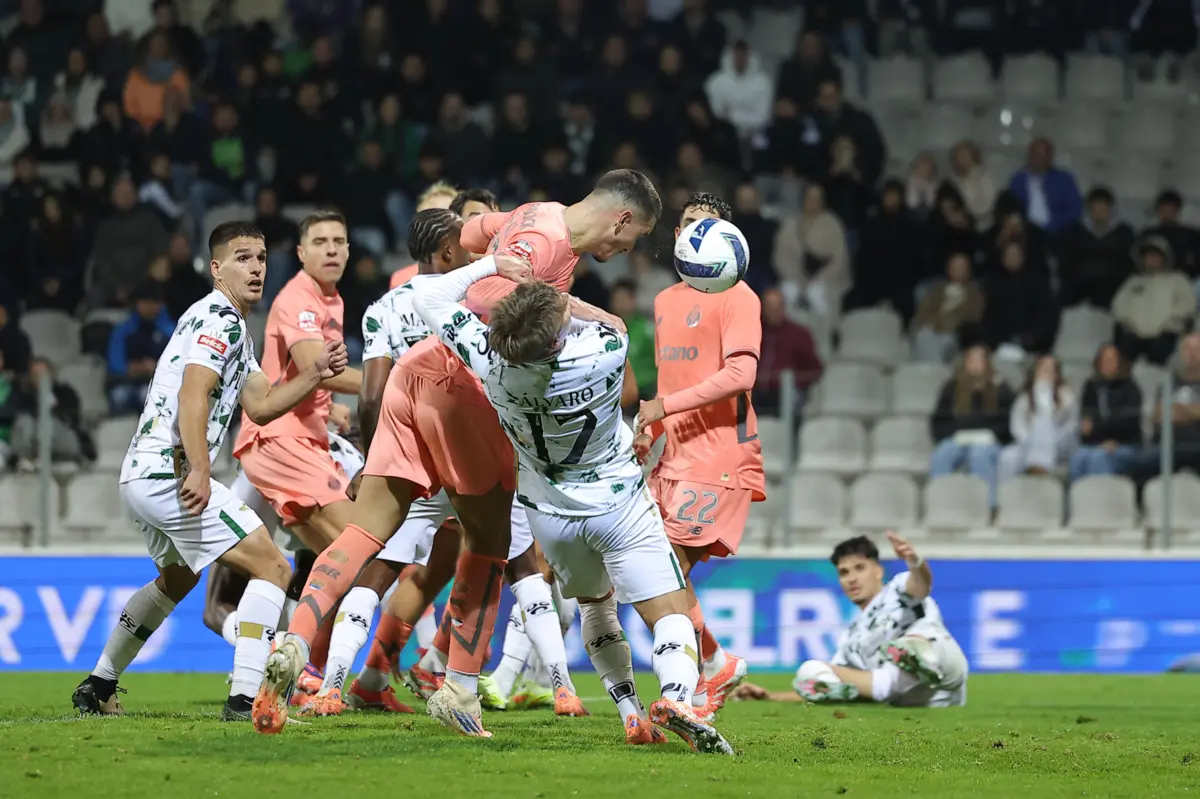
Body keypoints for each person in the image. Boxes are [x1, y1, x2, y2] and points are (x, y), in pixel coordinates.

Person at [252, 170, 662, 738]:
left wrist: (502, 262)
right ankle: (459, 688)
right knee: (489, 543)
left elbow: (468, 234)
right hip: (461, 388)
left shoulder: (535, 213)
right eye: (634, 235)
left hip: (413, 373)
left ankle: (295, 639)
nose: (626, 249)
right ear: (620, 219)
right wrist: (586, 313)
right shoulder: (547, 244)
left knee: (367, 531)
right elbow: (490, 302)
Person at [404, 248, 732, 754]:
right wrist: (562, 300)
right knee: (668, 611)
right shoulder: (603, 348)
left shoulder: (492, 364)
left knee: (595, 606)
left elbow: (428, 291)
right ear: (558, 334)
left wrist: (492, 267)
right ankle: (676, 697)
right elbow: (612, 323)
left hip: (552, 516)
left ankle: (631, 714)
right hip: (619, 504)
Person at [70, 221, 348, 721]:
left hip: (141, 476)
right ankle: (244, 699)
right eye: (243, 258)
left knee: (176, 579)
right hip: (167, 473)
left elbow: (262, 406)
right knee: (275, 566)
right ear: (216, 268)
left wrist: (312, 373)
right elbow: (192, 390)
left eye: (261, 258)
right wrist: (199, 468)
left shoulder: (230, 324)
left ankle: (98, 684)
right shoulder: (220, 316)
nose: (257, 268)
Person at [310, 210, 580, 720]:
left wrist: (375, 462)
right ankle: (560, 687)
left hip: (410, 452)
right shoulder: (478, 294)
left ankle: (335, 683)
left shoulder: (384, 307)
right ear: (449, 253)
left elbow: (371, 397)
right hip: (475, 448)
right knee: (519, 566)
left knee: (379, 570)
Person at [635, 191, 763, 718]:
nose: (695, 231)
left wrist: (663, 404)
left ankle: (683, 694)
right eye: (688, 223)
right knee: (657, 569)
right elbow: (672, 379)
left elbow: (741, 375)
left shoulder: (740, 297)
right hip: (675, 455)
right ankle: (714, 663)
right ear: (676, 235)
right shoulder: (665, 301)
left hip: (720, 455)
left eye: (707, 225)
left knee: (665, 567)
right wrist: (651, 427)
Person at [233, 212, 364, 554]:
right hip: (279, 439)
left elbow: (300, 372)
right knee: (360, 542)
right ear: (301, 253)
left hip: (298, 436)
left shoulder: (331, 299)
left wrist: (325, 406)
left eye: (338, 242)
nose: (331, 250)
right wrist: (390, 382)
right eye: (320, 243)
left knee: (332, 564)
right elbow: (315, 366)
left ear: (349, 250)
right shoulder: (299, 298)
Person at [735, 533, 967, 708]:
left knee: (919, 642)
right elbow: (821, 687)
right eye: (844, 573)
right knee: (811, 671)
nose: (852, 579)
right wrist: (770, 696)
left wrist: (915, 561)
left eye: (859, 568)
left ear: (878, 570)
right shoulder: (851, 637)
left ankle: (915, 654)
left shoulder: (898, 591)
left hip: (946, 666)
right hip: (912, 696)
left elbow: (921, 584)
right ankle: (902, 665)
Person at [928, 344, 1015, 507]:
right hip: (957, 438)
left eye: (979, 360)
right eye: (971, 360)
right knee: (941, 454)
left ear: (987, 363)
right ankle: (939, 504)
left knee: (979, 455)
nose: (975, 364)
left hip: (988, 440)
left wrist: (993, 435)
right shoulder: (951, 388)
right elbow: (939, 420)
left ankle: (986, 505)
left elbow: (1008, 421)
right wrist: (951, 435)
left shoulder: (1001, 389)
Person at [1112, 235, 1196, 366]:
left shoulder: (1178, 279)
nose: (1152, 259)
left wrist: (1169, 324)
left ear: (1165, 258)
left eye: (1156, 255)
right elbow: (1118, 306)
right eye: (1149, 256)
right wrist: (1131, 325)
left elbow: (1187, 306)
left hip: (1166, 335)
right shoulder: (1133, 281)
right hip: (1135, 335)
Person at [998, 355, 1079, 480]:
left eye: (1051, 369)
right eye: (1043, 368)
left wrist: (1052, 440)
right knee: (1008, 457)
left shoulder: (1068, 397)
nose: (1047, 372)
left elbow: (1071, 426)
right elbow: (1017, 425)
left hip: (1059, 445)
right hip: (1028, 444)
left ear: (1057, 373)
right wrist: (1029, 441)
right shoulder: (1024, 397)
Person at [1069, 344, 1143, 481]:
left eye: (1112, 360)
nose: (1108, 364)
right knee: (1078, 457)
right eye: (1104, 360)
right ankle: (1076, 499)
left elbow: (1129, 422)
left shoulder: (1130, 387)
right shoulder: (1091, 386)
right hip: (1096, 443)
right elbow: (1087, 422)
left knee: (1099, 457)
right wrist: (1094, 432)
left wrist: (1104, 434)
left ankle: (1098, 500)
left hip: (1125, 443)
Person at [106, 284, 175, 415]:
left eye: (153, 302)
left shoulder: (171, 331)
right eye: (144, 302)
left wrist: (155, 368)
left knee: (148, 396)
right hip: (126, 384)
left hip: (159, 387)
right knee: (119, 396)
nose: (148, 307)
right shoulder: (123, 329)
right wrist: (134, 368)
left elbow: (177, 365)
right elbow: (115, 364)